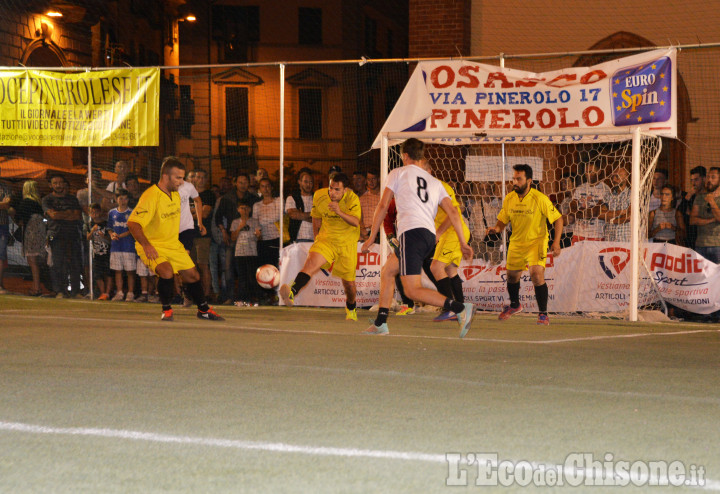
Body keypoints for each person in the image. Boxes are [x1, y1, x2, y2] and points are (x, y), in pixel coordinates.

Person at [360, 138, 475, 337]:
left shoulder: (397, 173)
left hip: (411, 234)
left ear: (404, 156)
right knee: (388, 271)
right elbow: (455, 213)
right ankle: (381, 323)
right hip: (429, 236)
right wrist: (463, 242)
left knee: (412, 290)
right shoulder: (435, 182)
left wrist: (371, 237)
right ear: (422, 158)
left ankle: (460, 308)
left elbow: (383, 206)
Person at [127, 156, 223, 321]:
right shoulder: (150, 196)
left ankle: (203, 310)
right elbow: (133, 223)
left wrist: (196, 225)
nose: (182, 181)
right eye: (178, 178)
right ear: (165, 176)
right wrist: (147, 245)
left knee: (193, 276)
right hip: (152, 244)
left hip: (173, 244)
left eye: (183, 177)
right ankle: (167, 309)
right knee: (166, 272)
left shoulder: (176, 195)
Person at [486, 164, 563, 325]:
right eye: (514, 178)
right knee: (512, 277)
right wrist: (496, 229)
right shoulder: (509, 198)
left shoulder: (540, 198)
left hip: (536, 242)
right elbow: (503, 219)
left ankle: (543, 314)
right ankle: (515, 305)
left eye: (518, 179)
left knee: (536, 273)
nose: (515, 182)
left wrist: (556, 242)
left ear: (529, 181)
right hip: (516, 242)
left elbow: (558, 219)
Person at [279, 172, 361, 321]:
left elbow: (355, 222)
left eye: (337, 190)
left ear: (345, 190)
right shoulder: (319, 195)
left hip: (346, 244)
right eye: (331, 188)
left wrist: (339, 211)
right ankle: (291, 291)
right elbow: (316, 219)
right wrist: (317, 240)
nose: (332, 192)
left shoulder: (352, 198)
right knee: (310, 265)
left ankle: (351, 307)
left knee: (349, 285)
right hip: (326, 240)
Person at [426, 162, 472, 323]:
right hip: (447, 233)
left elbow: (453, 214)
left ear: (429, 171)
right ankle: (462, 309)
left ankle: (451, 308)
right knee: (451, 271)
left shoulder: (441, 187)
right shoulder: (422, 190)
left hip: (453, 231)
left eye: (422, 171)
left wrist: (438, 233)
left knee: (435, 267)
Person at [215, 173, 259, 304]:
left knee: (249, 272)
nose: (243, 185)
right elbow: (218, 217)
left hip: (250, 243)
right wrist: (223, 232)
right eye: (240, 182)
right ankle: (229, 296)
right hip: (232, 238)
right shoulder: (227, 198)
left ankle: (250, 297)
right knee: (228, 268)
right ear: (235, 183)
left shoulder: (253, 198)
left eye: (245, 182)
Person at [42, 174, 83, 298]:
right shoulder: (47, 199)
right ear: (51, 185)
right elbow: (53, 216)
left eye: (60, 182)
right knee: (57, 263)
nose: (58, 185)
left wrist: (61, 214)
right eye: (55, 183)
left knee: (76, 263)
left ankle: (76, 291)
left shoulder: (72, 199)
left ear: (64, 184)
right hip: (54, 235)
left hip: (73, 234)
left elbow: (77, 215)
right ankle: (60, 290)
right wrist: (68, 213)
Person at [13, 181, 46, 296]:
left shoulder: (26, 202)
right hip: (40, 231)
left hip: (31, 232)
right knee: (35, 260)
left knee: (32, 260)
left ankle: (36, 288)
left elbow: (19, 218)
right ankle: (36, 286)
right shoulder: (38, 203)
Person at [253, 178, 281, 302]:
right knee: (264, 270)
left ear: (272, 187)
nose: (266, 189)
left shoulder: (279, 201)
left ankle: (277, 295)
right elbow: (255, 222)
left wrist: (264, 222)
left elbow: (278, 217)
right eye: (263, 186)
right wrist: (257, 231)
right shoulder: (256, 205)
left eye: (268, 186)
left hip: (277, 240)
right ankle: (266, 296)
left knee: (277, 268)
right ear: (260, 189)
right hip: (263, 241)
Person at [569, 162, 610, 243]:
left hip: (596, 235)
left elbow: (596, 212)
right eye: (586, 172)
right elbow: (572, 209)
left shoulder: (605, 189)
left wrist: (579, 211)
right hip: (578, 234)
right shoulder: (580, 188)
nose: (587, 174)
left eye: (591, 171)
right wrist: (586, 213)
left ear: (598, 172)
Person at [230, 200, 261, 305]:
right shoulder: (235, 222)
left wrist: (258, 235)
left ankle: (253, 298)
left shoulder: (255, 221)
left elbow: (259, 236)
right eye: (242, 208)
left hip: (252, 252)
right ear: (238, 210)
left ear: (250, 209)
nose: (244, 210)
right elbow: (233, 238)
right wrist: (240, 227)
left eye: (246, 208)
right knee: (242, 277)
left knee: (251, 276)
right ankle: (241, 298)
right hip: (239, 253)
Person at [108, 189, 136, 302]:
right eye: (120, 198)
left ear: (128, 199)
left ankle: (130, 293)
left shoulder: (132, 212)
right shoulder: (112, 213)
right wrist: (112, 235)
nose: (123, 201)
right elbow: (109, 227)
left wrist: (121, 235)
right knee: (117, 270)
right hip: (116, 246)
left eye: (125, 198)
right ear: (116, 199)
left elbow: (133, 229)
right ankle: (119, 292)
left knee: (130, 271)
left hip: (128, 246)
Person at [190, 169, 215, 297]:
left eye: (203, 177)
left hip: (202, 236)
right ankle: (193, 294)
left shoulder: (209, 195)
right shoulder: (187, 194)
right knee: (190, 266)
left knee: (203, 264)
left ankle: (206, 294)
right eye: (197, 177)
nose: (200, 180)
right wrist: (195, 211)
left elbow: (204, 213)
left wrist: (192, 212)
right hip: (188, 236)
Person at [689, 166, 720, 264]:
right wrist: (711, 220)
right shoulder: (700, 197)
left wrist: (712, 201)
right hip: (700, 244)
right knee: (701, 277)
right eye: (708, 177)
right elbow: (692, 220)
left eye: (713, 177)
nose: (709, 180)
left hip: (718, 245)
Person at [469, 181, 503, 262]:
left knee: (494, 265)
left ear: (492, 190)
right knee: (478, 265)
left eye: (486, 189)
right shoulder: (476, 205)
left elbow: (506, 224)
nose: (484, 192)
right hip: (478, 241)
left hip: (493, 241)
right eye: (481, 190)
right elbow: (471, 224)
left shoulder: (500, 204)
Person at [86, 203, 113, 300]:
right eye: (92, 212)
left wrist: (103, 236)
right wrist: (93, 231)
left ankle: (107, 293)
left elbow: (110, 239)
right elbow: (88, 237)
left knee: (108, 273)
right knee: (97, 274)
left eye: (96, 212)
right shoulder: (89, 224)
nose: (94, 214)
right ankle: (102, 292)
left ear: (100, 212)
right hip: (96, 253)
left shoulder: (106, 224)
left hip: (106, 253)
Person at [677, 166, 706, 250]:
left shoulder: (709, 195)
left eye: (696, 180)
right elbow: (679, 212)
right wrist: (688, 196)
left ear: (703, 179)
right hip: (689, 239)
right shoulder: (689, 196)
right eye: (691, 180)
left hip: (703, 239)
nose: (693, 183)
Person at [601, 167, 632, 242]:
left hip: (625, 239)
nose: (614, 179)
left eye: (617, 176)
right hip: (609, 238)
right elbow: (601, 214)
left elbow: (629, 217)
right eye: (612, 177)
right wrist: (621, 212)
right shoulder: (608, 195)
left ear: (626, 177)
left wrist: (611, 220)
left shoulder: (632, 194)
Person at [286, 168, 315, 243]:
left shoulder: (317, 198)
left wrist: (301, 214)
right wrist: (313, 215)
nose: (308, 184)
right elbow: (293, 215)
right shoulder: (292, 198)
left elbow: (322, 218)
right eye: (305, 182)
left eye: (311, 182)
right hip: (298, 239)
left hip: (316, 239)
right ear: (299, 182)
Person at [359, 170, 381, 243]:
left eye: (373, 179)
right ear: (366, 181)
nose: (371, 182)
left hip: (379, 233)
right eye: (369, 179)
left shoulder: (383, 198)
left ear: (379, 179)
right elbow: (359, 219)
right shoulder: (361, 199)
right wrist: (363, 231)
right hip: (364, 234)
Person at [0, 168, 11, 294]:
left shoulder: (5, 186)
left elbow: (6, 205)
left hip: (2, 225)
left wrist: (4, 204)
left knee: (1, 255)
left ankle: (0, 285)